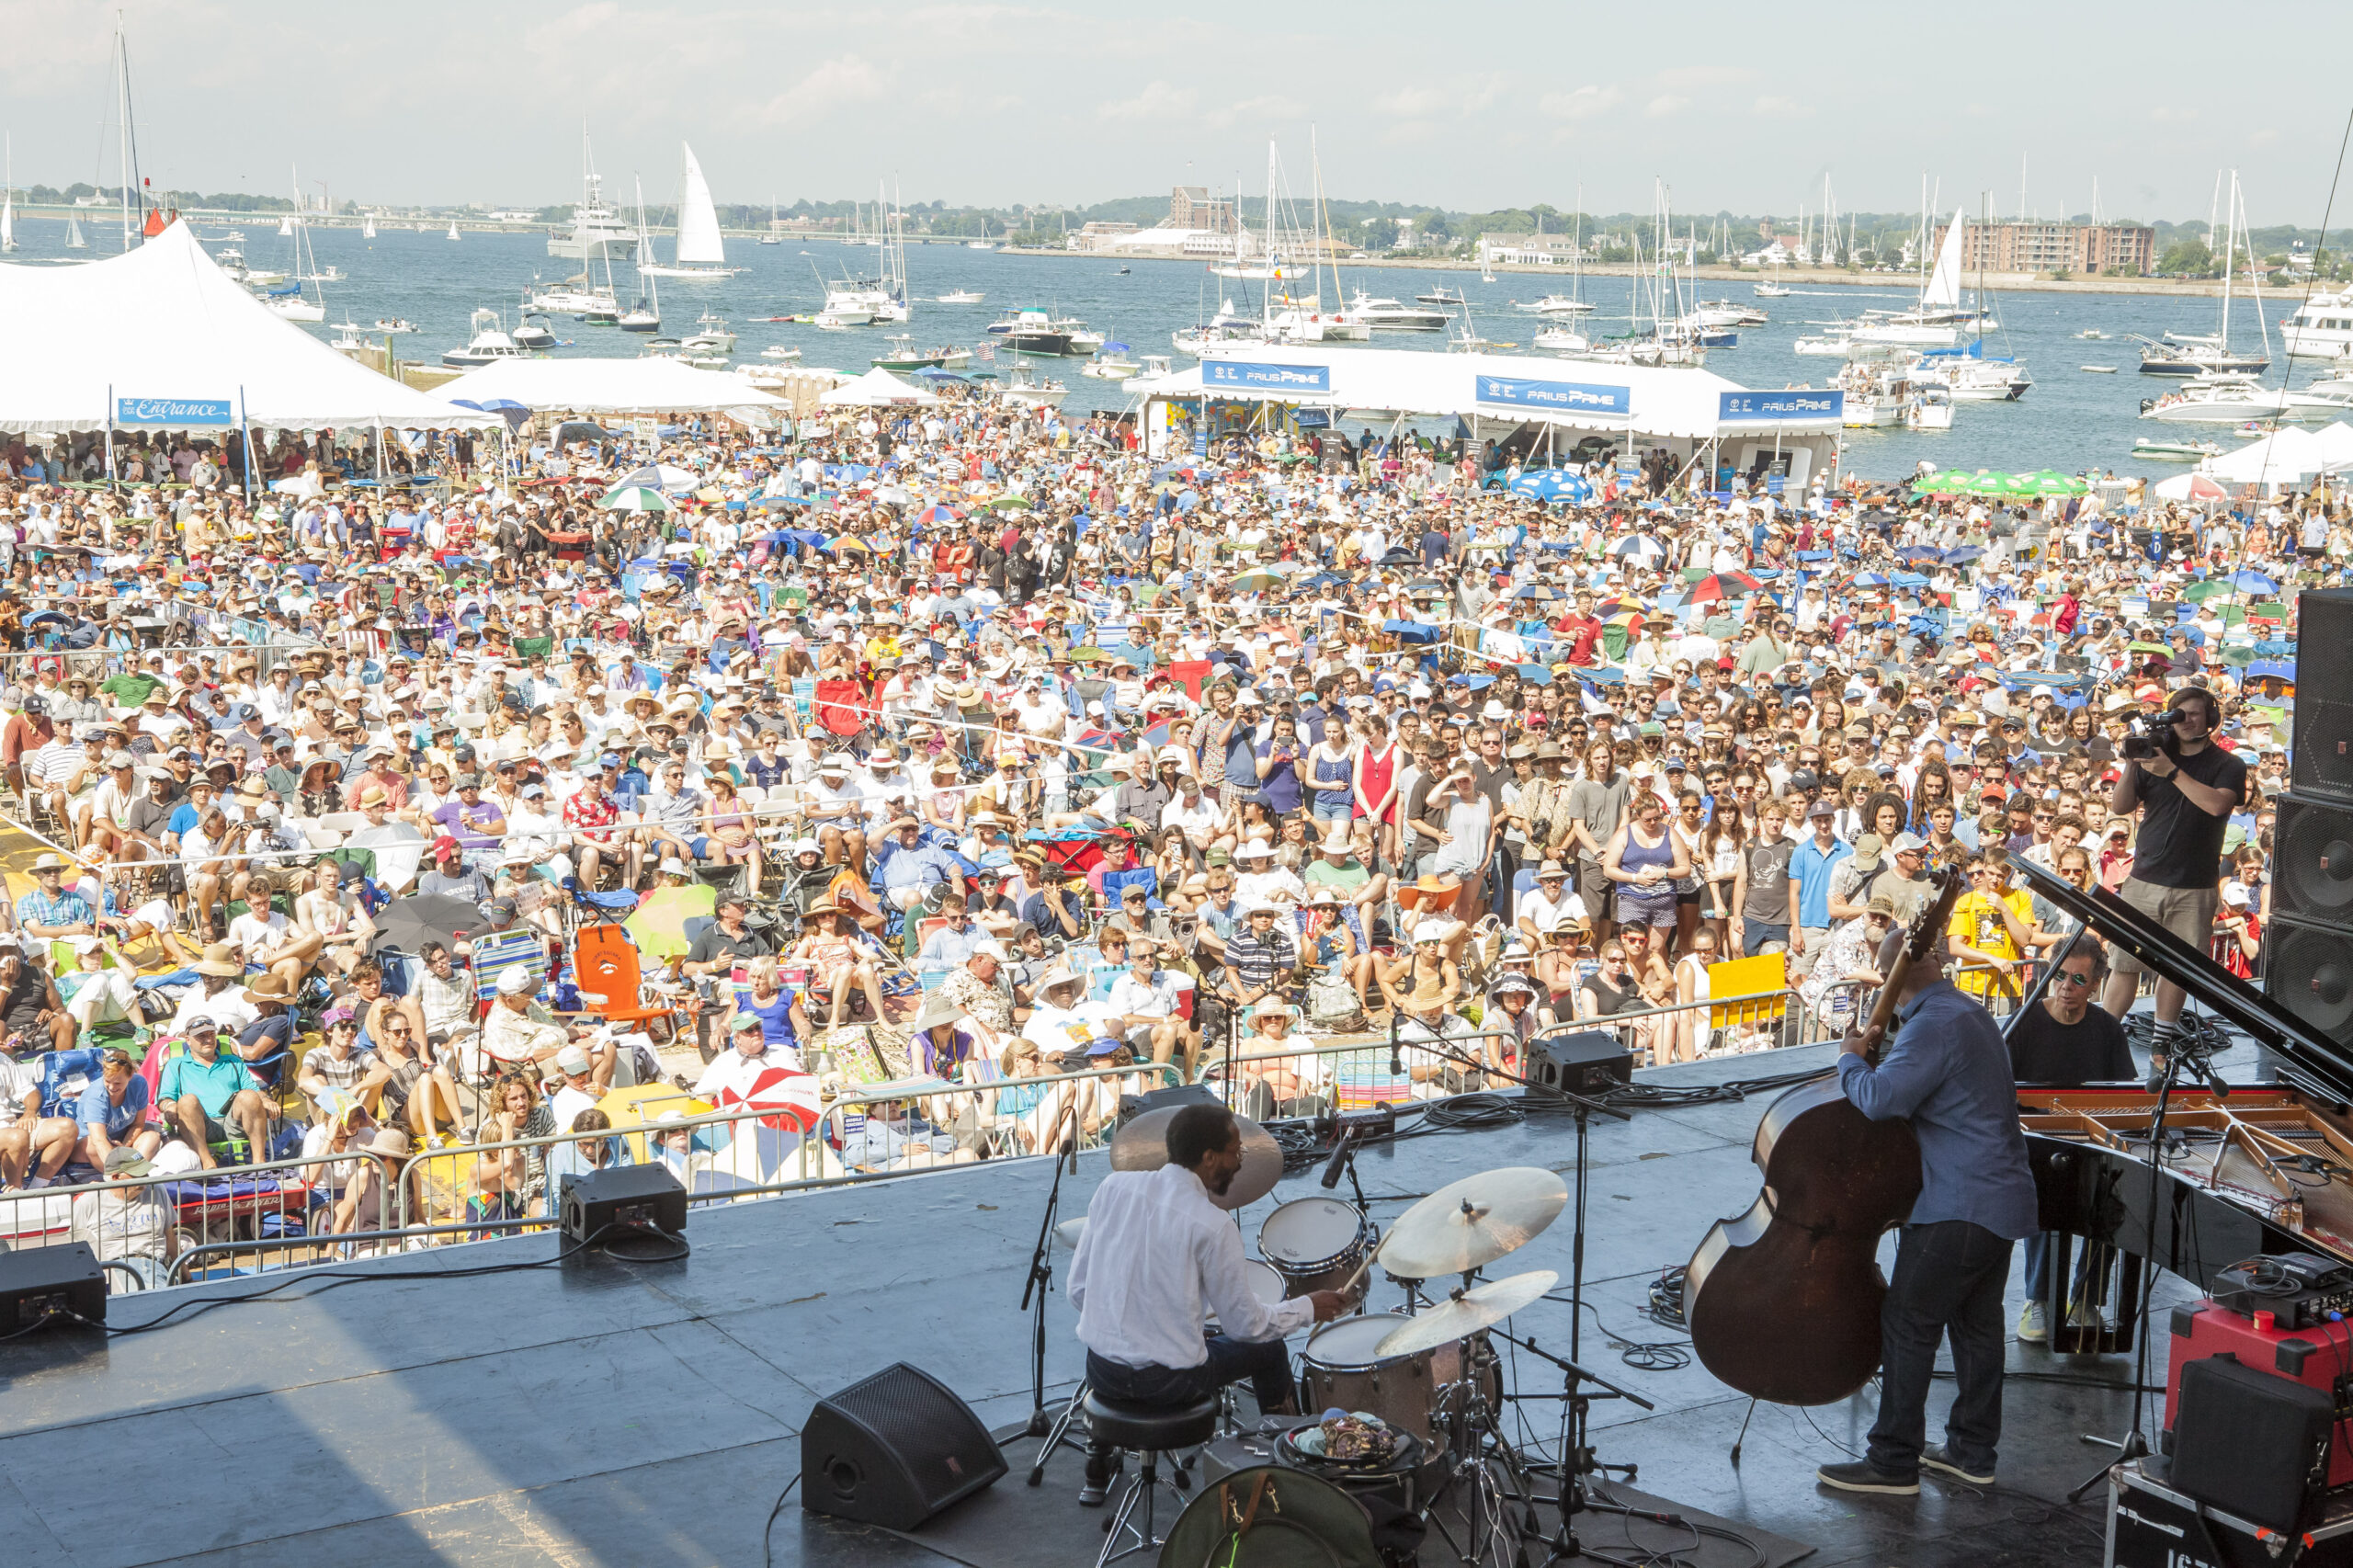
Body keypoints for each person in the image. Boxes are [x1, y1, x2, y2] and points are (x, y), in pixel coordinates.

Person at [1817, 926, 2037, 1495]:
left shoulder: (1933, 1025)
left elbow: (1879, 1098)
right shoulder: (1967, 1012)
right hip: (2002, 1199)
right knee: (1977, 1330)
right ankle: (1971, 1451)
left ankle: (1892, 1462)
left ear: (1892, 973)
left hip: (1957, 1205)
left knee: (1909, 1324)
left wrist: (1849, 1060)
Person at [1067, 1103, 1352, 1504]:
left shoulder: (1113, 1188)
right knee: (1268, 1349)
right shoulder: (1211, 1224)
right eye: (1236, 1152)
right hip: (1167, 1384)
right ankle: (1294, 1472)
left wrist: (1132, 1327)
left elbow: (1078, 1290)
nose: (1239, 1162)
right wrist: (1308, 1307)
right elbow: (1246, 1327)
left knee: (1188, 1337)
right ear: (1209, 1157)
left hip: (1101, 1371)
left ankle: (1096, 1471)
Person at [2098, 687, 2247, 1080]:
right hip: (2144, 879)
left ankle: (2161, 1047)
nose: (2187, 721)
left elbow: (2218, 805)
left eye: (2196, 714)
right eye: (2180, 714)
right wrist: (2135, 762)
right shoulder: (2158, 756)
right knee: (2124, 964)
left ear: (2211, 718)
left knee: (2175, 969)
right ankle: (2102, 1035)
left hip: (2195, 886)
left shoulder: (2227, 763)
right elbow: (2120, 807)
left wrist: (2173, 773)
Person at [2006, 943, 2133, 1343]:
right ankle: (2038, 1299)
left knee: (2116, 1196)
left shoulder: (2106, 1029)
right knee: (2044, 1195)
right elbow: (2000, 1093)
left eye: (2079, 979)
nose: (2066, 987)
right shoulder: (2022, 1024)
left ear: (2095, 984)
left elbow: (2125, 1097)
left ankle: (2085, 1298)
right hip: (2035, 1143)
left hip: (2091, 1141)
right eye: (2059, 976)